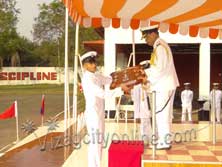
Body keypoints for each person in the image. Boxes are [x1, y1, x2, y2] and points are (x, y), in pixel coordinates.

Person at [81, 51, 128, 167]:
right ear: (85, 66)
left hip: (99, 113)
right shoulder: (87, 79)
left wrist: (124, 77)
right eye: (91, 63)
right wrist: (121, 90)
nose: (94, 65)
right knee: (95, 143)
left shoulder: (96, 75)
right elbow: (102, 94)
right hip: (93, 115)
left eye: (94, 62)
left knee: (100, 142)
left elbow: (109, 80)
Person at [140, 25, 179, 149]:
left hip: (164, 85)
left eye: (146, 37)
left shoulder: (160, 47)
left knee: (162, 114)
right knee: (163, 114)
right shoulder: (159, 46)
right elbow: (158, 66)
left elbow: (159, 68)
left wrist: (146, 76)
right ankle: (163, 139)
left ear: (152, 34)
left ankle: (165, 141)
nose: (146, 41)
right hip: (164, 84)